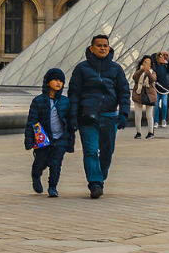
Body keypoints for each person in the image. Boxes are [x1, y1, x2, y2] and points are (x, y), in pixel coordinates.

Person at [68, 34, 130, 199]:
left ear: (109, 48)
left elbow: (124, 92)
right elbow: (74, 93)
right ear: (91, 48)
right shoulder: (81, 68)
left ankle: (99, 177)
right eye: (99, 45)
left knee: (107, 153)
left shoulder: (116, 69)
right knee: (90, 151)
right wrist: (73, 116)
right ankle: (95, 183)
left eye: (105, 45)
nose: (103, 48)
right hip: (87, 115)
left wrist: (124, 113)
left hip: (110, 115)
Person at [25, 68, 75, 198]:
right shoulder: (38, 101)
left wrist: (70, 140)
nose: (59, 83)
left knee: (56, 164)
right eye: (55, 80)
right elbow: (32, 122)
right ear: (47, 82)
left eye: (61, 81)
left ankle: (53, 187)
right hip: (43, 139)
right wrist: (29, 141)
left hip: (60, 138)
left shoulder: (65, 101)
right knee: (40, 162)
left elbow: (69, 123)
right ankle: (36, 175)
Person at [131, 55, 157, 139]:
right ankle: (138, 132)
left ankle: (150, 132)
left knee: (149, 115)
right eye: (145, 62)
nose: (146, 64)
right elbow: (135, 78)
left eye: (148, 62)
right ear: (142, 62)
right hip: (138, 94)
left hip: (150, 95)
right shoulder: (138, 71)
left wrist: (148, 72)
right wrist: (142, 70)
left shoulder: (152, 72)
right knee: (138, 115)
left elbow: (153, 80)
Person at [151, 51, 169, 129]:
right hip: (156, 88)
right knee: (156, 106)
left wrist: (167, 63)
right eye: (161, 57)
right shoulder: (154, 66)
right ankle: (156, 121)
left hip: (165, 88)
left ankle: (163, 120)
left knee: (165, 104)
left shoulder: (165, 65)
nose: (162, 58)